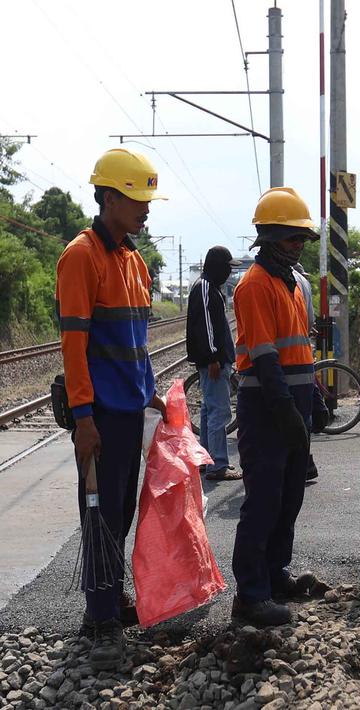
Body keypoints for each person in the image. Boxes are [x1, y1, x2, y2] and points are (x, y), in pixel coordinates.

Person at [56, 147, 168, 670]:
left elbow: (135, 344)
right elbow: (74, 344)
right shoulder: (81, 257)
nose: (145, 209)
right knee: (99, 516)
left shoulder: (132, 260)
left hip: (128, 413)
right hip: (99, 415)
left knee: (118, 513)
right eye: (137, 199)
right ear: (108, 198)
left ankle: (103, 604)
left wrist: (151, 395)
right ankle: (102, 624)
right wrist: (83, 418)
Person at [232, 187, 329, 627]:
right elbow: (266, 357)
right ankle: (250, 595)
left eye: (302, 238)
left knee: (289, 498)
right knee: (264, 501)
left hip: (293, 403)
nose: (299, 245)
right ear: (270, 237)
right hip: (266, 407)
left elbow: (299, 349)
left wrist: (316, 398)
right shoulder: (255, 285)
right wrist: (287, 410)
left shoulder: (291, 283)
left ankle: (275, 575)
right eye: (293, 237)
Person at [186, 245, 243, 481]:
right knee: (219, 411)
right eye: (227, 268)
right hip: (214, 361)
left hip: (215, 360)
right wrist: (213, 357)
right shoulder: (206, 288)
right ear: (218, 267)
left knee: (209, 410)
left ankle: (206, 460)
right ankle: (218, 464)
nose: (229, 273)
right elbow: (206, 326)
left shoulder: (208, 287)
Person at [291, 261, 324, 481]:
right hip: (302, 359)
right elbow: (309, 318)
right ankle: (304, 464)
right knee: (304, 416)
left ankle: (299, 466)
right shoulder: (303, 282)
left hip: (282, 363)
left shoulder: (265, 279)